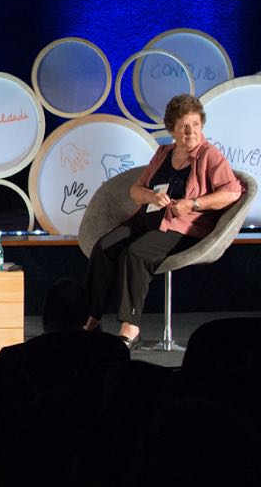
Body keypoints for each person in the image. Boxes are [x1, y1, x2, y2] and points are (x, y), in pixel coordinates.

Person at [82, 93, 242, 347]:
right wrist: (152, 196)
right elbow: (136, 191)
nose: (191, 132)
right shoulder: (163, 153)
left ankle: (131, 328)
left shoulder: (210, 155)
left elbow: (232, 192)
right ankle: (92, 318)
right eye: (184, 127)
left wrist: (194, 203)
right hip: (147, 219)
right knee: (104, 247)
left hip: (180, 227)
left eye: (196, 125)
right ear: (172, 130)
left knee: (135, 254)